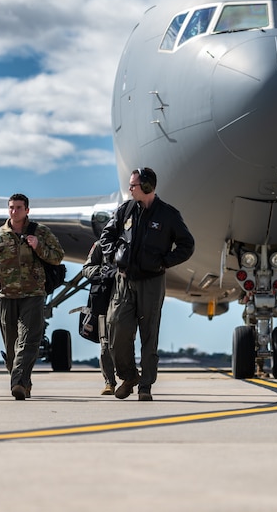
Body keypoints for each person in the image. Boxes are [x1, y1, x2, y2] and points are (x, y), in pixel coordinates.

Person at [99, 168, 195, 401]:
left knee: (149, 336)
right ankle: (129, 375)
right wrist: (115, 255)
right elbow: (106, 237)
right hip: (124, 280)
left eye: (134, 185)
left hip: (151, 282)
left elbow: (187, 245)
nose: (130, 189)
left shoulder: (169, 215)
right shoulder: (124, 211)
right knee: (116, 328)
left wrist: (164, 263)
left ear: (148, 187)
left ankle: (146, 386)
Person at [0, 193, 64, 400]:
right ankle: (24, 382)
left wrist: (38, 246)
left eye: (19, 208)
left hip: (33, 294)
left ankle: (18, 384)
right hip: (7, 296)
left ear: (27, 210)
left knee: (29, 340)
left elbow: (58, 256)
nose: (15, 211)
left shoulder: (40, 232)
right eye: (12, 207)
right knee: (11, 346)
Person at [82, 240, 117, 395]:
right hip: (104, 297)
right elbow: (87, 268)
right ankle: (109, 381)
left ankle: (129, 376)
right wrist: (102, 272)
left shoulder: (135, 240)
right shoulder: (101, 245)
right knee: (105, 343)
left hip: (127, 298)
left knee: (124, 341)